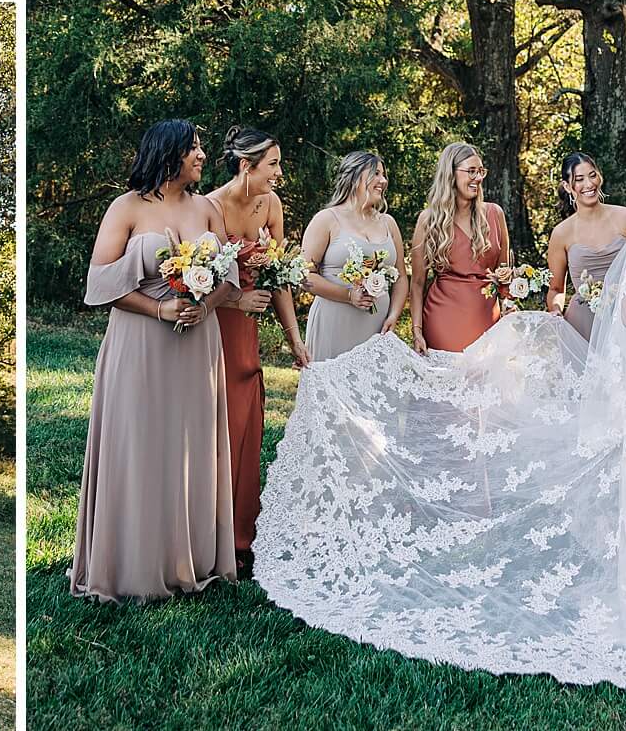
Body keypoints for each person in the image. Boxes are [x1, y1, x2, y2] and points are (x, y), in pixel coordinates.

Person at [255, 162, 626, 695]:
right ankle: (440, 503)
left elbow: (511, 271)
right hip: (448, 314)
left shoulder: (516, 218)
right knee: (451, 418)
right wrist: (414, 324)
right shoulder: (431, 220)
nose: (479, 176)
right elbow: (419, 276)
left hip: (610, 355)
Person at [69, 120, 238, 602]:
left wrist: (206, 305)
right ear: (168, 154)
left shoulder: (207, 209)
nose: (202, 156)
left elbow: (229, 278)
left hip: (197, 345)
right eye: (194, 148)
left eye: (201, 148)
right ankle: (135, 563)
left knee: (191, 445)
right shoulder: (126, 207)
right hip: (140, 341)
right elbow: (100, 284)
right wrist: (159, 308)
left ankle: (190, 559)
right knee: (140, 442)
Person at [205, 125, 307, 572]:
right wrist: (236, 300)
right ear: (247, 166)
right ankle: (205, 537)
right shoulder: (210, 206)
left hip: (245, 333)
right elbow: (197, 283)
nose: (279, 173)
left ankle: (240, 538)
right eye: (273, 164)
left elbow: (278, 278)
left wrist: (294, 338)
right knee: (217, 428)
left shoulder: (271, 205)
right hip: (213, 329)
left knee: (247, 426)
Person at [298, 151, 407, 362]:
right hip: (334, 324)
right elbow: (305, 275)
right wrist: (348, 295)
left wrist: (393, 315)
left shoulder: (388, 223)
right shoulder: (327, 219)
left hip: (377, 329)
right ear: (354, 177)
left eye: (383, 175)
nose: (383, 181)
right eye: (376, 174)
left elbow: (401, 276)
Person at [408, 141, 511, 353]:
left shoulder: (495, 214)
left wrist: (509, 304)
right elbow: (417, 284)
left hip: (489, 323)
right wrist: (417, 331)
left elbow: (504, 276)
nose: (478, 178)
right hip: (443, 322)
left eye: (481, 171)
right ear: (450, 174)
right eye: (471, 171)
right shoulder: (429, 220)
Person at [544, 152, 626, 338]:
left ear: (600, 176)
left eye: (592, 175)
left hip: (625, 318)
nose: (588, 184)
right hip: (582, 324)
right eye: (579, 179)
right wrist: (555, 310)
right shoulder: (561, 233)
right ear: (567, 186)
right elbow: (556, 289)